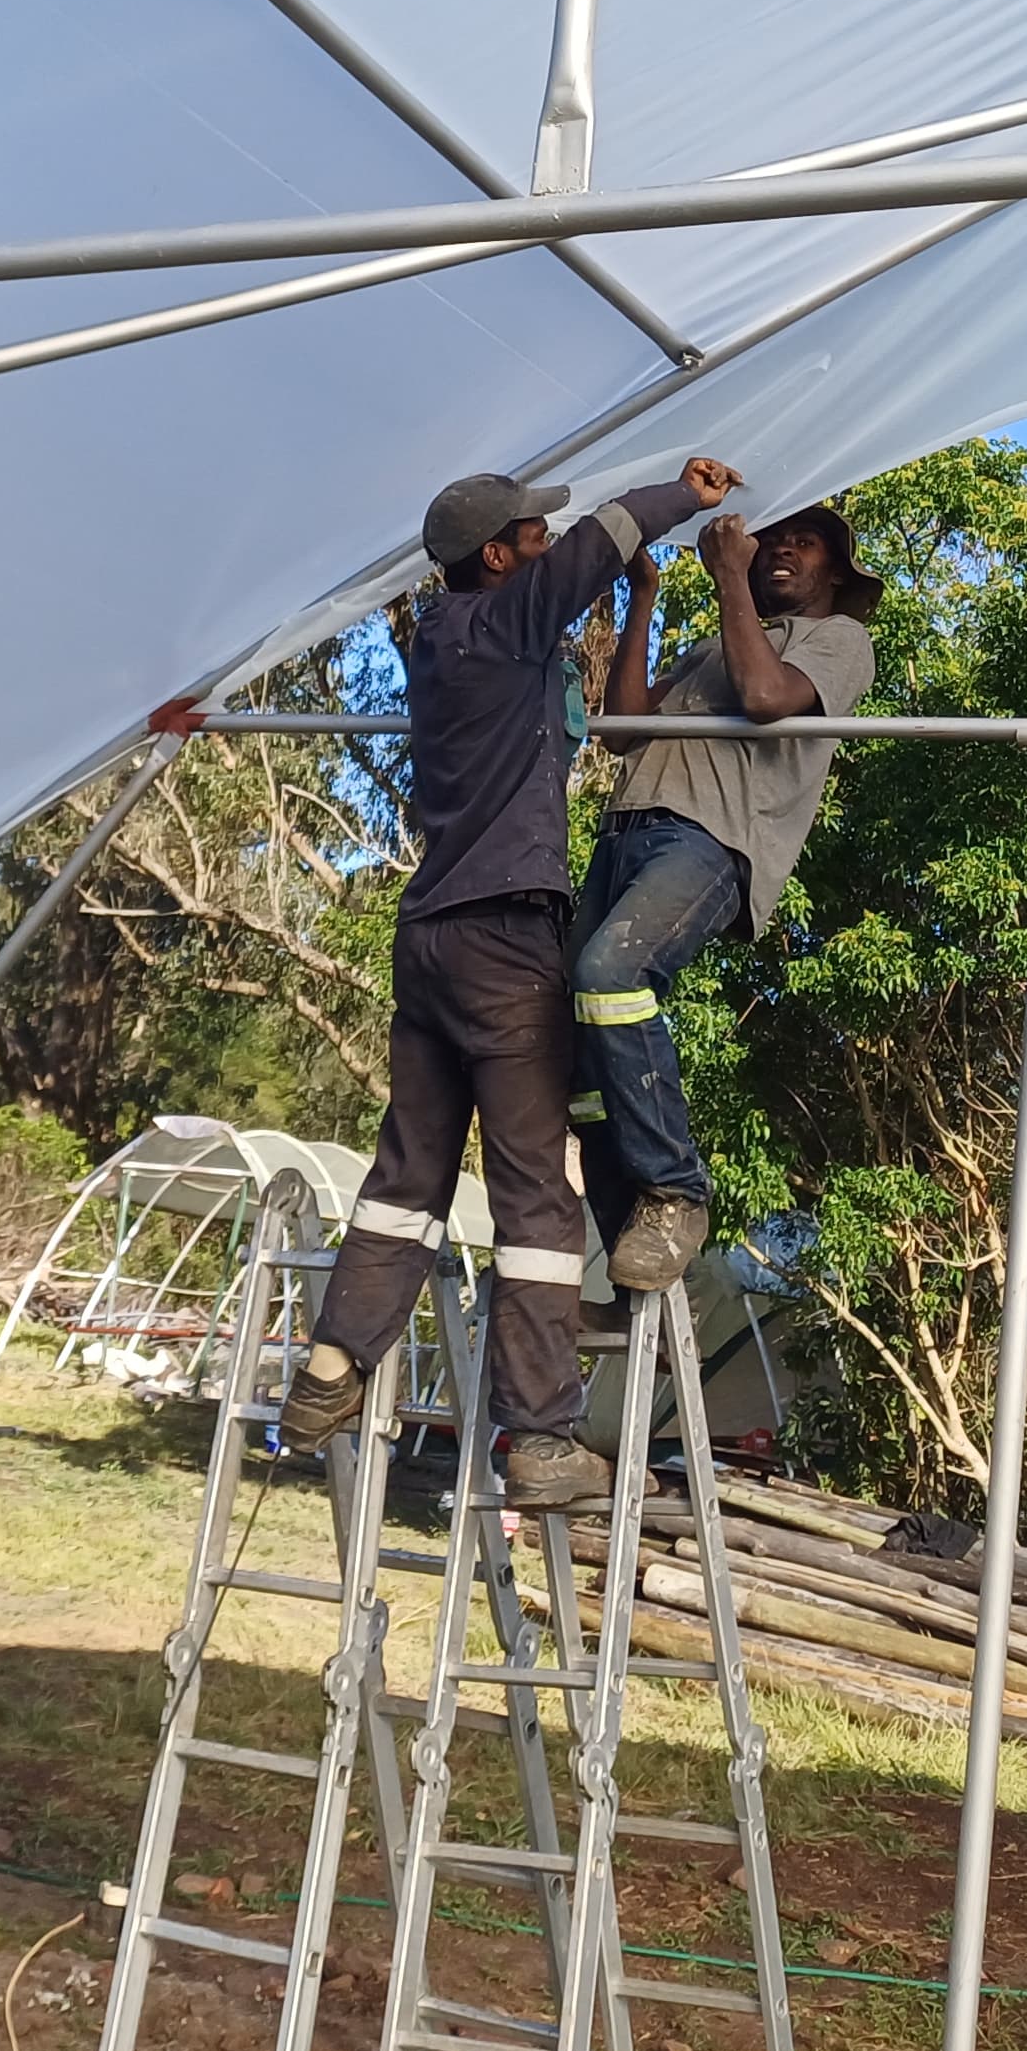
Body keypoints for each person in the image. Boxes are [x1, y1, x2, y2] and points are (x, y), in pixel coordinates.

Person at [282, 455, 741, 1511]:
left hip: (429, 936)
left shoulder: (440, 642)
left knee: (409, 1175)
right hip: (502, 941)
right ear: (496, 558)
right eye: (528, 535)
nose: (544, 540)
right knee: (536, 1191)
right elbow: (601, 540)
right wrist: (688, 492)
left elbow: (576, 610)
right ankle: (539, 1439)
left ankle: (331, 1367)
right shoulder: (506, 617)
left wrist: (639, 609)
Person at [573, 503, 884, 1294]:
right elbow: (621, 728)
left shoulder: (839, 642)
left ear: (836, 572)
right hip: (625, 831)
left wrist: (726, 575)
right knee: (573, 1061)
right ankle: (631, 1256)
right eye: (771, 542)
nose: (780, 551)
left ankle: (677, 1193)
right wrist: (644, 595)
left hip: (708, 841)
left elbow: (764, 697)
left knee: (613, 975)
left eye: (802, 544)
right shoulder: (717, 641)